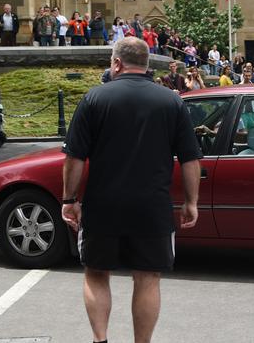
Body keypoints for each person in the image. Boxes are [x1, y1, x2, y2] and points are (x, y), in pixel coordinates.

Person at [61, 36, 201, 343]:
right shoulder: (172, 101)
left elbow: (75, 158)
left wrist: (69, 199)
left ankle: (101, 339)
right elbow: (190, 159)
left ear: (116, 63)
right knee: (148, 278)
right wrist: (191, 202)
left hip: (103, 205)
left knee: (97, 273)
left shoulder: (94, 98)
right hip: (152, 206)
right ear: (147, 65)